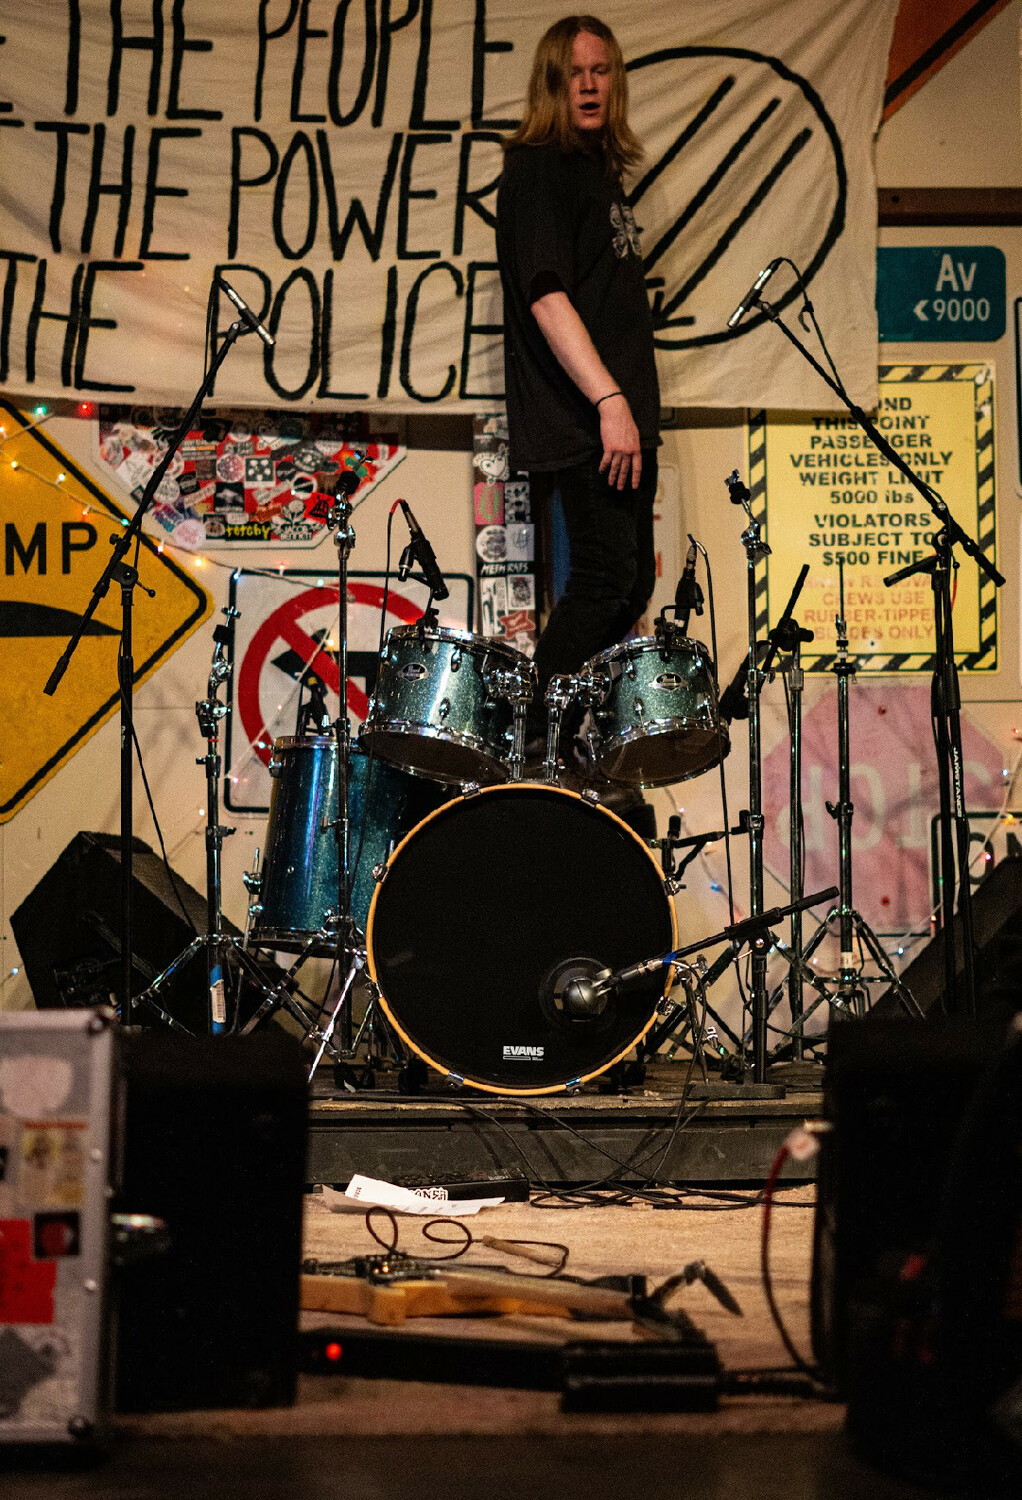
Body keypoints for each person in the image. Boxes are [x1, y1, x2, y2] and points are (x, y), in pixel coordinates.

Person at [496, 15, 660, 760]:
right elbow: (545, 293)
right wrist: (608, 401)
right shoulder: (539, 169)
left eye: (601, 70)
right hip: (587, 419)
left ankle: (558, 741)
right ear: (552, 85)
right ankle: (531, 739)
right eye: (574, 73)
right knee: (603, 582)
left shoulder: (598, 173)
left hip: (619, 421)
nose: (589, 86)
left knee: (628, 588)